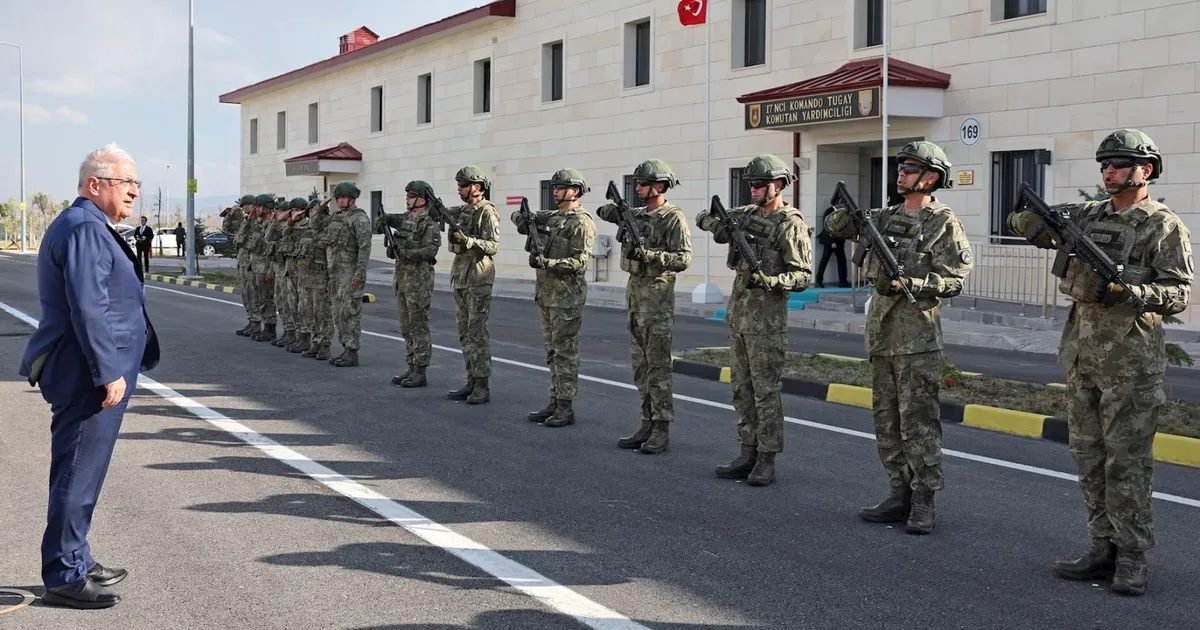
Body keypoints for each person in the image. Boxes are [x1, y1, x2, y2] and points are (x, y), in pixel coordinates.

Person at [1008, 129, 1193, 595]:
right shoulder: (1088, 216)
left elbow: (1178, 294)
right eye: (1104, 164)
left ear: (1144, 170)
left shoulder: (1162, 225)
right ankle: (1101, 546)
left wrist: (1128, 290)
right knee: (1088, 457)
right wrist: (1030, 220)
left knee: (1126, 463)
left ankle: (1132, 557)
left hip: (1131, 362)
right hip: (1083, 355)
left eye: (1119, 163)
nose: (1108, 171)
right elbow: (1029, 225)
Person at [17, 143, 160, 609]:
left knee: (83, 471)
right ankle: (64, 574)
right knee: (78, 473)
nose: (135, 192)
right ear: (95, 184)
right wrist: (108, 372)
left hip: (89, 371)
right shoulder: (84, 227)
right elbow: (88, 305)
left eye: (136, 183)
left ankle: (76, 555)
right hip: (87, 375)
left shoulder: (89, 224)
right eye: (128, 183)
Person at [825, 141, 974, 534]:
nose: (900, 174)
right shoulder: (884, 217)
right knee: (886, 421)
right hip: (881, 333)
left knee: (919, 423)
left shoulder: (943, 222)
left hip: (917, 337)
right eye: (900, 167)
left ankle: (924, 498)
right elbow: (837, 225)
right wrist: (842, 218)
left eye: (909, 168)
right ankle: (898, 491)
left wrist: (916, 282)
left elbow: (955, 281)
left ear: (931, 177)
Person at [697, 154, 812, 486]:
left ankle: (767, 458)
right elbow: (707, 217)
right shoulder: (744, 216)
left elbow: (802, 276)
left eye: (760, 185)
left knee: (765, 392)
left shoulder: (790, 224)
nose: (754, 190)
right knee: (741, 390)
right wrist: (719, 225)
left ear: (778, 186)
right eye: (750, 185)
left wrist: (773, 281)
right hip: (740, 317)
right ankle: (747, 450)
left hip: (767, 322)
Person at [596, 159, 692, 453]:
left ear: (659, 186)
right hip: (636, 295)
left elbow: (683, 258)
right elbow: (604, 211)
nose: (638, 188)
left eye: (643, 183)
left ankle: (661, 428)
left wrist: (651, 255)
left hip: (657, 297)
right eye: (636, 183)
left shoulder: (673, 218)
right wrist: (619, 211)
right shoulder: (635, 214)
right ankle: (646, 421)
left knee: (658, 366)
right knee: (640, 366)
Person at [512, 168, 596, 427]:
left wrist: (548, 262)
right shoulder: (551, 217)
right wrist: (524, 219)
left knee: (565, 352)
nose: (555, 191)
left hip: (566, 298)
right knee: (551, 351)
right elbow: (519, 216)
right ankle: (555, 398)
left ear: (576, 191)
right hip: (547, 295)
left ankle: (566, 405)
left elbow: (580, 261)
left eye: (560, 187)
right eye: (554, 187)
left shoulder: (581, 222)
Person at [444, 166, 500, 404]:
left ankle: (482, 384)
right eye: (459, 185)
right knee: (465, 333)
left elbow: (493, 245)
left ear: (477, 187)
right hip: (461, 277)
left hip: (478, 278)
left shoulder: (487, 212)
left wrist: (468, 241)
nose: (459, 189)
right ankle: (471, 379)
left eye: (463, 185)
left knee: (477, 333)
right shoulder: (464, 210)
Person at [380, 181, 442, 387]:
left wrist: (404, 253)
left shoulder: (430, 223)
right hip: (402, 280)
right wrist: (393, 249)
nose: (407, 200)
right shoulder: (407, 219)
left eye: (411, 196)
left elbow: (429, 251)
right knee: (406, 327)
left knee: (418, 326)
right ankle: (411, 365)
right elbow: (395, 238)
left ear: (422, 200)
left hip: (419, 281)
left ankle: (421, 370)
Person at [324, 182, 372, 367]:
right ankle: (345, 347)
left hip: (350, 274)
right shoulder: (336, 218)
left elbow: (364, 248)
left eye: (344, 197)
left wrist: (359, 275)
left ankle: (352, 351)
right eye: (339, 198)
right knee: (337, 314)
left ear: (352, 199)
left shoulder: (359, 219)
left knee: (350, 313)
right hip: (335, 275)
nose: (341, 201)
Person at [232, 195, 258, 336]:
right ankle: (252, 320)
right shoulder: (245, 221)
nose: (246, 207)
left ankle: (257, 322)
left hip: (254, 264)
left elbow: (242, 240)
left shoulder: (258, 222)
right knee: (246, 293)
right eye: (244, 205)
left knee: (255, 294)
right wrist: (230, 216)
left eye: (249, 204)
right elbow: (236, 237)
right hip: (243, 261)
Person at [814, 207, 850, 288]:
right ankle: (819, 281)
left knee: (842, 261)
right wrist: (831, 242)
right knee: (824, 260)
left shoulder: (842, 212)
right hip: (830, 241)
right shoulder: (829, 211)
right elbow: (826, 227)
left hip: (839, 240)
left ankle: (843, 281)